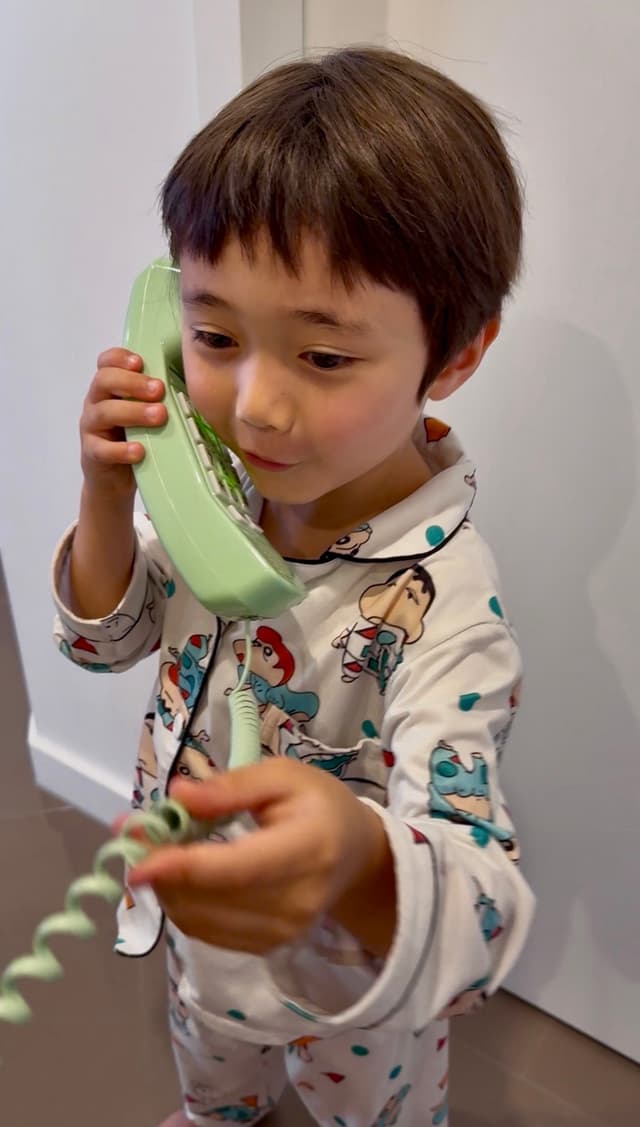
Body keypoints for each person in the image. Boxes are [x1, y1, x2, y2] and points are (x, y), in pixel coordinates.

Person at [52, 46, 535, 1127]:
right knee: (209, 1055)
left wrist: (358, 862)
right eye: (215, 336)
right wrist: (106, 489)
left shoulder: (447, 599)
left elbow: (482, 900)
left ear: (452, 356)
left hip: (346, 979)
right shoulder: (221, 490)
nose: (255, 406)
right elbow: (101, 642)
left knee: (371, 1106)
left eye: (322, 358)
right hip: (194, 902)